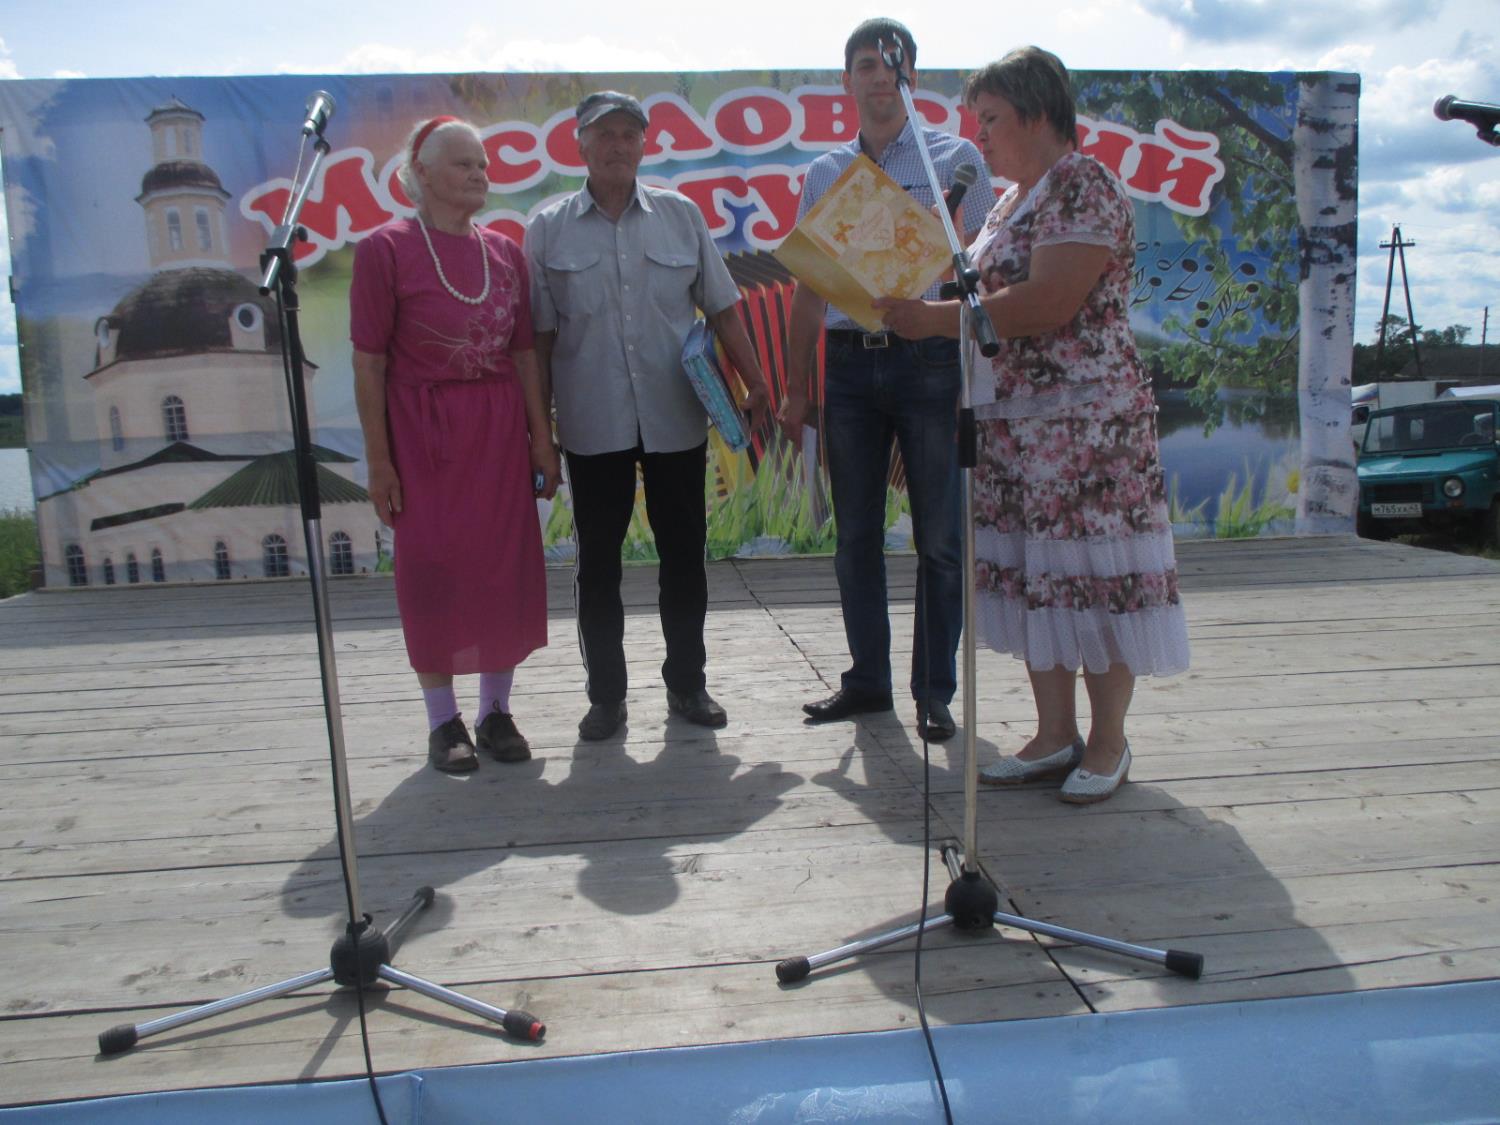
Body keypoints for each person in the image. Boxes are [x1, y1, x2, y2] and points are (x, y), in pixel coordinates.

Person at [874, 47, 1190, 804]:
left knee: (1095, 577)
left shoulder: (1083, 184)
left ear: (1038, 113)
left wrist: (930, 320)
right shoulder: (1010, 201)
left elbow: (1049, 301)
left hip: (1085, 428)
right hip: (1013, 426)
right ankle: (1054, 734)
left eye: (990, 119)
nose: (979, 136)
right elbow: (984, 307)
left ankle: (1108, 740)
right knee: (1038, 579)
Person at [525, 91, 770, 742]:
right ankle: (605, 697)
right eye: (604, 133)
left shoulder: (681, 215)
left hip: (675, 418)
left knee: (684, 556)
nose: (617, 144)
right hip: (591, 423)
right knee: (598, 566)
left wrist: (755, 381)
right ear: (579, 143)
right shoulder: (547, 228)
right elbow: (538, 341)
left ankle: (688, 684)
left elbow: (723, 308)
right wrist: (540, 434)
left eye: (629, 134)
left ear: (645, 144)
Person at [779, 18, 992, 743]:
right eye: (865, 64)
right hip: (848, 362)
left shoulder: (954, 159)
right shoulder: (825, 173)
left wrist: (937, 273)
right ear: (847, 81)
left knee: (939, 538)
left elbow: (985, 265)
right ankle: (868, 681)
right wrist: (796, 388)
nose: (878, 76)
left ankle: (934, 691)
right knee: (855, 537)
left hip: (926, 358)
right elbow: (810, 287)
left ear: (912, 77)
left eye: (890, 65)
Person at [351, 116, 561, 773]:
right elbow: (369, 364)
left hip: (498, 432)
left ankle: (495, 713)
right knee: (431, 572)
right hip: (422, 435)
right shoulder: (384, 250)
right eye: (463, 163)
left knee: (502, 568)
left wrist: (541, 440)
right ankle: (443, 722)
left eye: (482, 163)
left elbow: (524, 355)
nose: (479, 173)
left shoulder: (505, 252)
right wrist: (380, 461)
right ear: (422, 173)